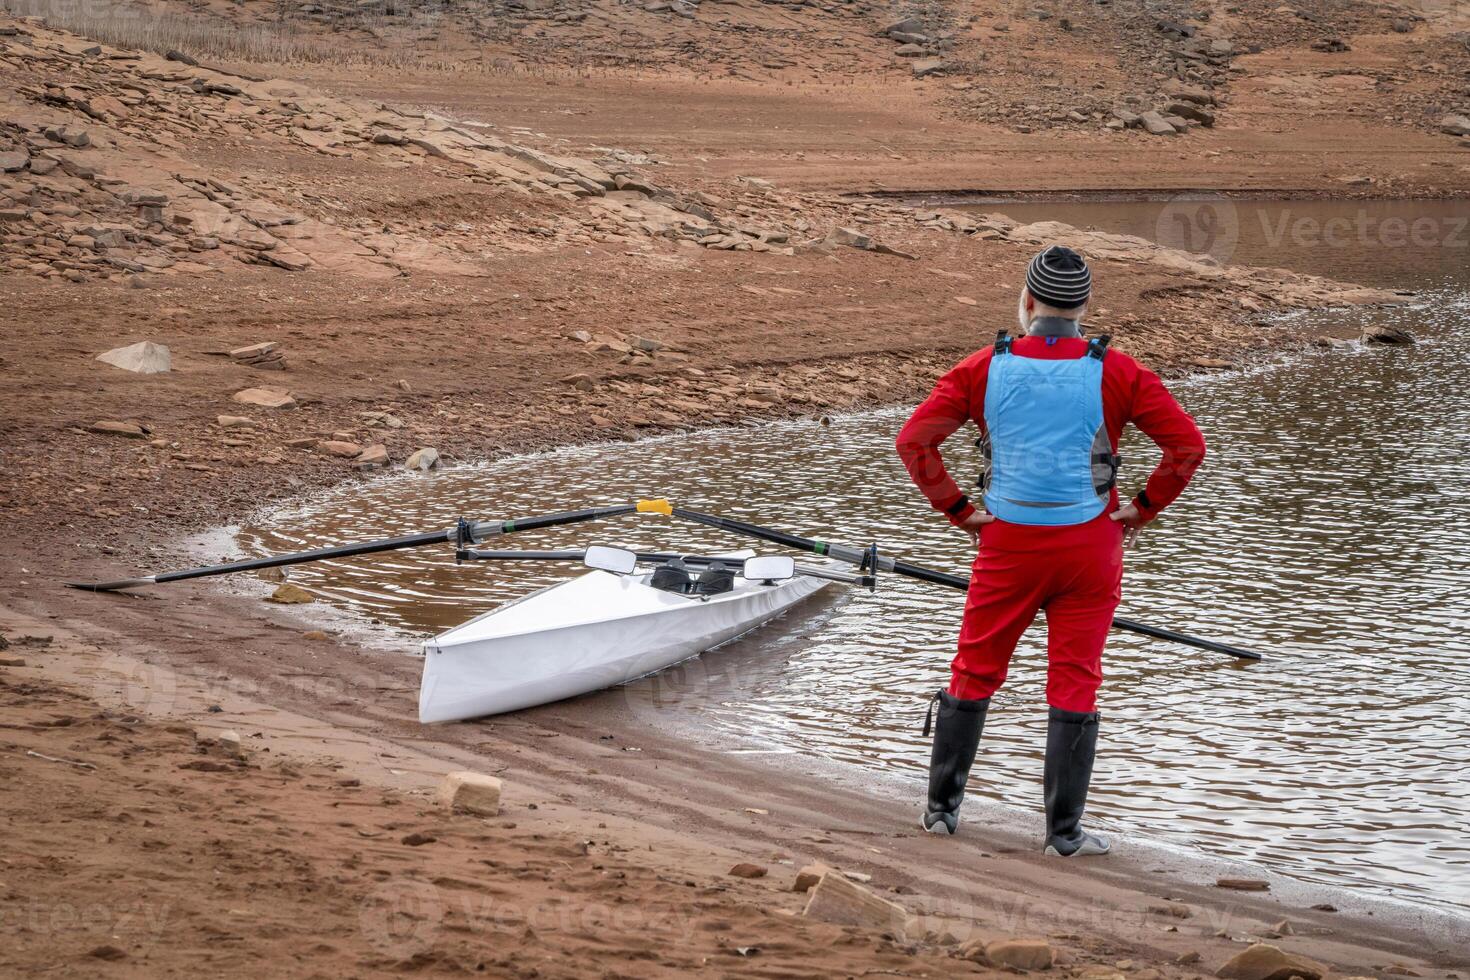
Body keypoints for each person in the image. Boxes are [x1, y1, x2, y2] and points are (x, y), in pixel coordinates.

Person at [895, 244, 1206, 856]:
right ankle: (1063, 835)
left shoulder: (984, 366)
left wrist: (956, 509)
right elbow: (1186, 448)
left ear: (1028, 300)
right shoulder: (1119, 370)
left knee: (975, 668)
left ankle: (940, 811)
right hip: (1091, 544)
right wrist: (1142, 509)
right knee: (1075, 680)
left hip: (1006, 541)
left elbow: (915, 442)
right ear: (1085, 305)